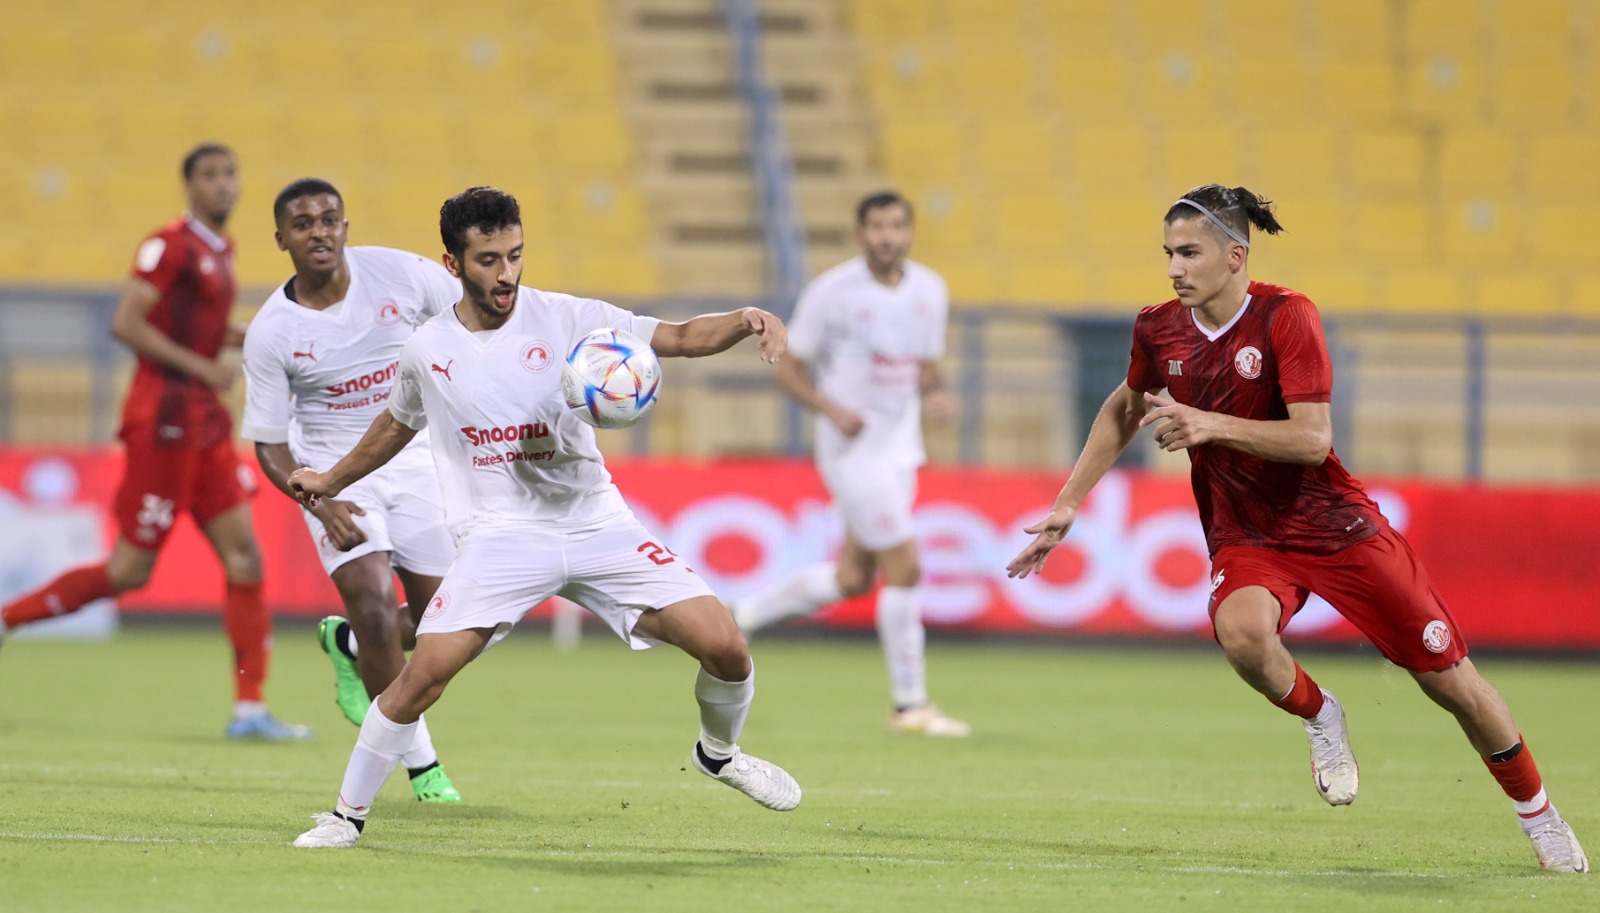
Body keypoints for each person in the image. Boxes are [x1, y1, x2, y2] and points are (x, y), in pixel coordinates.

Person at [1006, 184, 1587, 873]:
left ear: (1234, 255)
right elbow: (1124, 406)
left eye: (1189, 253)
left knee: (1448, 680)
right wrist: (1070, 501)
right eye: (1167, 253)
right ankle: (1321, 715)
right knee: (1242, 634)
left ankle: (1540, 815)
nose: (1174, 269)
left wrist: (1209, 424)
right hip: (1246, 534)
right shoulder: (1158, 328)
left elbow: (1312, 440)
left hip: (1335, 526)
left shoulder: (1286, 316)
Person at [288, 186, 801, 848]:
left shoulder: (570, 319)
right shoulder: (428, 348)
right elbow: (396, 423)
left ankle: (719, 753)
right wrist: (330, 480)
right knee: (423, 677)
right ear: (453, 264)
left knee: (727, 646)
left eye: (516, 255)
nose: (506, 273)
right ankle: (345, 817)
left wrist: (748, 317)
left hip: (595, 522)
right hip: (501, 536)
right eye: (488, 260)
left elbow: (676, 338)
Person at [0, 144, 310, 741]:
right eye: (210, 175)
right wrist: (201, 367)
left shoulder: (220, 250)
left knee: (246, 558)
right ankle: (8, 618)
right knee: (128, 571)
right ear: (188, 185)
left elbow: (206, 329)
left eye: (230, 174)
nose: (223, 184)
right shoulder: (168, 245)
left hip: (206, 426)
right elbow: (126, 323)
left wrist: (265, 342)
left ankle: (250, 710)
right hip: (163, 424)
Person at [241, 178, 463, 801]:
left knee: (452, 620)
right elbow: (268, 443)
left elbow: (475, 311)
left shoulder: (401, 275)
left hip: (415, 461)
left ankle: (350, 644)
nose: (319, 231)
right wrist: (320, 500)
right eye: (303, 223)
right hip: (333, 475)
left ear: (344, 226)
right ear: (281, 239)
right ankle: (422, 765)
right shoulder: (272, 332)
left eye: (329, 219)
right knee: (373, 602)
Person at [732, 191, 968, 738]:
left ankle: (743, 616)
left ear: (909, 232)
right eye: (877, 227)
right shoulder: (832, 293)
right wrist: (833, 411)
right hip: (850, 454)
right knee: (905, 565)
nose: (887, 236)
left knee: (853, 578)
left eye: (896, 226)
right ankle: (909, 706)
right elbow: (787, 367)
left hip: (899, 449)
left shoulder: (930, 289)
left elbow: (925, 363)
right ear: (861, 234)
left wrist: (936, 394)